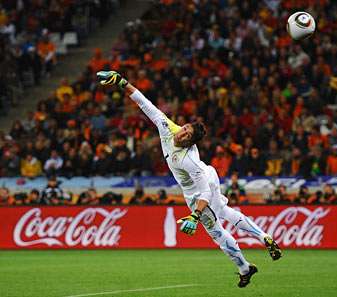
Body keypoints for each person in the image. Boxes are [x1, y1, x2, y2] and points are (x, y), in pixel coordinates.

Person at [97, 71, 282, 287]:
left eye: (187, 136)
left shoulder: (189, 160)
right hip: (208, 174)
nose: (182, 134)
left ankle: (245, 268)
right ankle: (263, 237)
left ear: (191, 142)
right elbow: (144, 104)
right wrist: (122, 82)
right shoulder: (167, 127)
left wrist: (195, 215)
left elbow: (203, 192)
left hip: (198, 187)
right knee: (223, 211)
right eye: (184, 129)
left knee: (217, 233)